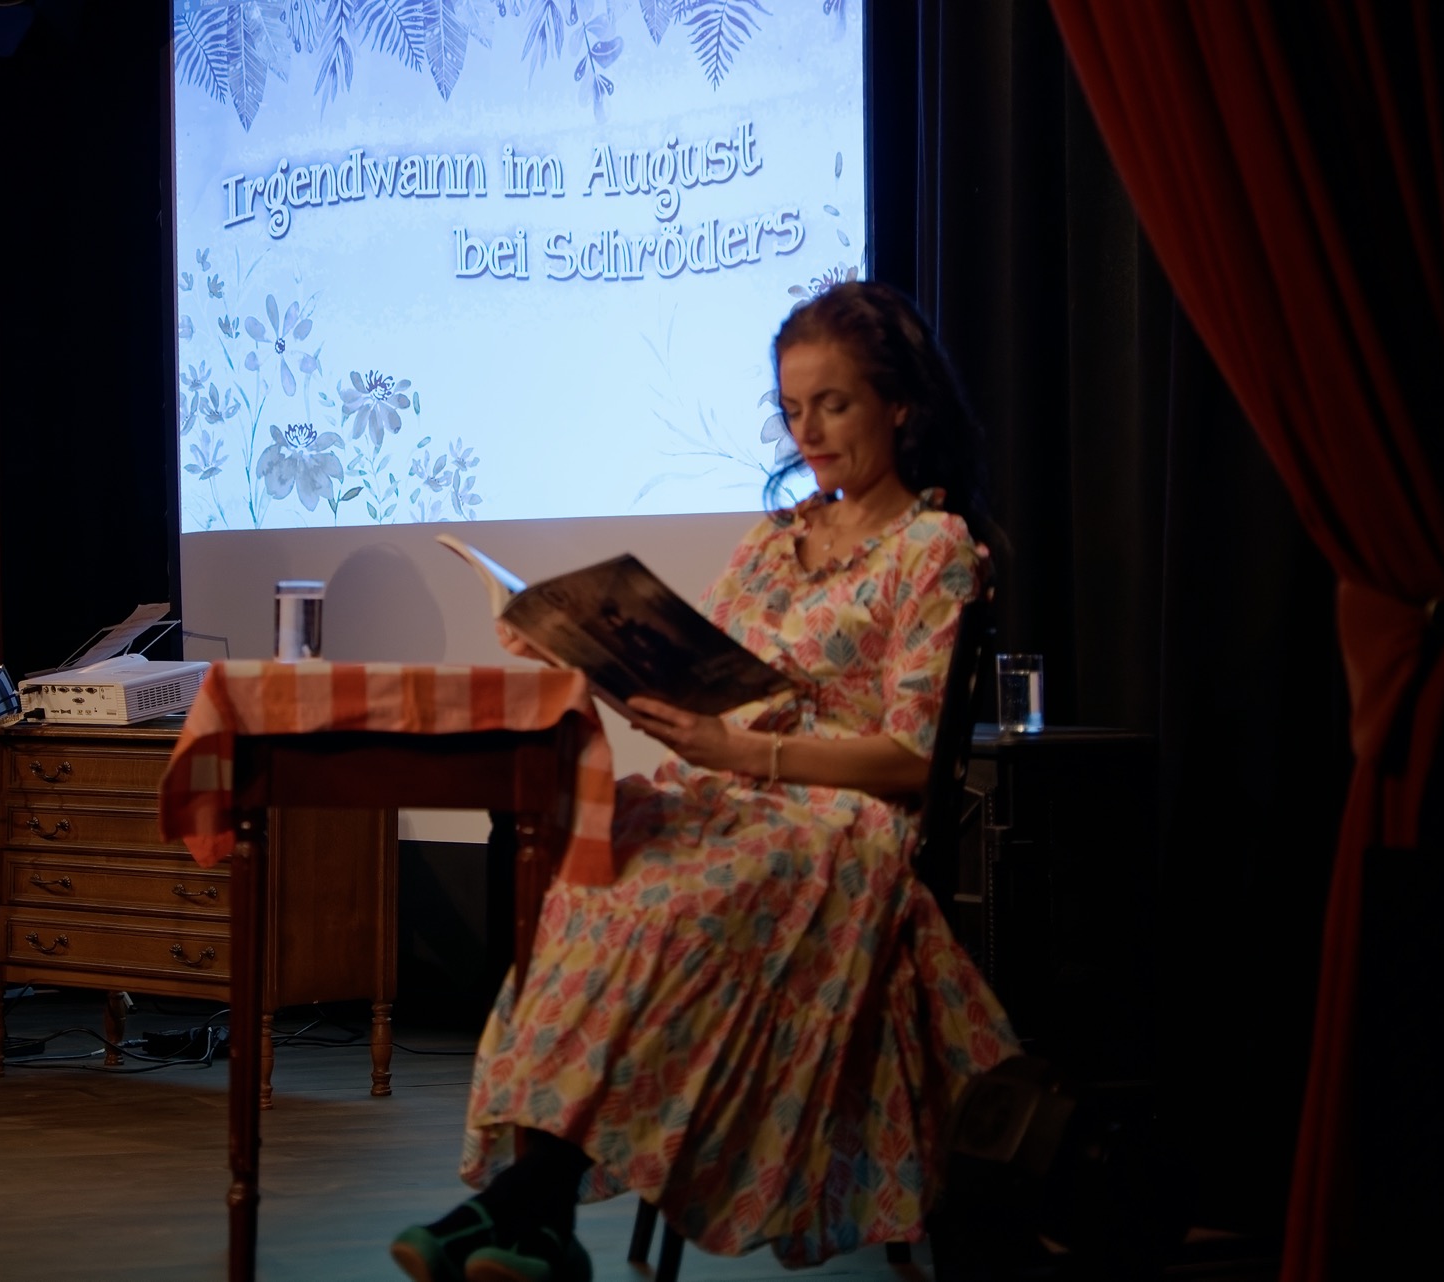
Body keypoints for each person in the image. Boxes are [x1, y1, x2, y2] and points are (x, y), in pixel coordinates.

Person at [391, 283, 1021, 1282]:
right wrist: (574, 645)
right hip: (730, 799)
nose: (808, 432)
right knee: (596, 886)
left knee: (675, 907)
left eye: (835, 405)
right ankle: (538, 1219)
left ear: (900, 405)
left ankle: (523, 1209)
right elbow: (699, 681)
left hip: (840, 822)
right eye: (793, 408)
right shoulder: (773, 543)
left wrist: (749, 756)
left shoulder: (932, 548)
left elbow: (911, 757)